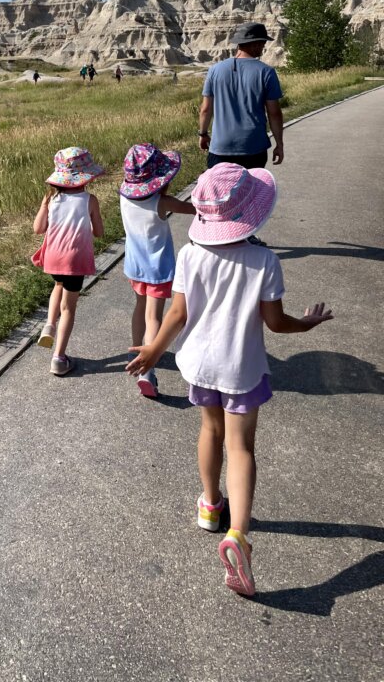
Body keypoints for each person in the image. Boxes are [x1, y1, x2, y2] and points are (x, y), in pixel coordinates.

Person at [126, 162, 333, 596]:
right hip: (242, 367)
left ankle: (209, 504)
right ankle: (237, 533)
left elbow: (177, 315)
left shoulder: (189, 255)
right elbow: (275, 323)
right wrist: (307, 324)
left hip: (200, 364)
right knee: (241, 446)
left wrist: (152, 351)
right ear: (251, 214)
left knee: (209, 430)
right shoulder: (264, 261)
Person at [119, 144, 195, 397]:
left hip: (134, 265)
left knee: (139, 309)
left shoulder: (124, 197)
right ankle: (146, 371)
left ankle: (137, 348)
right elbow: (194, 209)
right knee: (154, 318)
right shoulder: (162, 202)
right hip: (158, 270)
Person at [33, 147, 104, 376]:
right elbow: (99, 233)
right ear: (86, 177)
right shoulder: (89, 200)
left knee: (58, 285)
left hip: (53, 256)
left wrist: (44, 206)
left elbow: (38, 229)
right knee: (69, 308)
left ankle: (49, 325)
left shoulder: (52, 199)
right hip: (75, 259)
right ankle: (59, 358)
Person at [198, 22, 284, 171]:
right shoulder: (266, 72)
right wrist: (279, 144)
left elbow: (205, 109)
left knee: (221, 192)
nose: (263, 47)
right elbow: (274, 113)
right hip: (253, 146)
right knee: (250, 192)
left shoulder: (214, 70)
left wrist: (203, 133)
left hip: (221, 147)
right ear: (255, 44)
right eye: (263, 43)